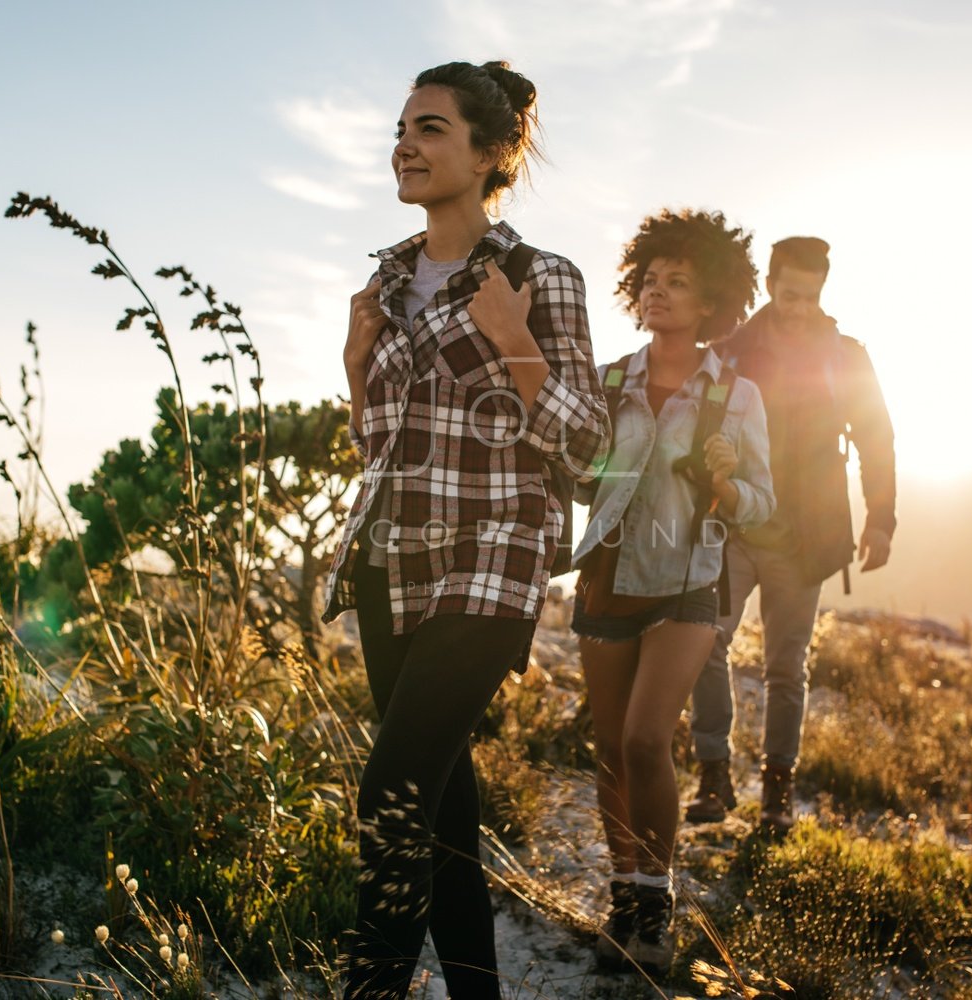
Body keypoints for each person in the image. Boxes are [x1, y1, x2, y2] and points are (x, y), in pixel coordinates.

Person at [322, 60, 610, 1000]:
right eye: (402, 126)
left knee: (391, 787)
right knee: (441, 803)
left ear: (490, 154)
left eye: (432, 128)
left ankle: (370, 989)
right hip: (391, 557)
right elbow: (381, 445)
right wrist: (358, 368)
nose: (405, 143)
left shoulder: (538, 277)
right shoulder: (387, 281)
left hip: (495, 556)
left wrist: (515, 341)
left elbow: (590, 446)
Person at [572, 209, 773, 974]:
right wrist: (586, 469)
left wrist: (725, 485)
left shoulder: (738, 397)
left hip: (689, 581)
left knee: (646, 739)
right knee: (607, 747)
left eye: (678, 282)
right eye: (651, 280)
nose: (658, 293)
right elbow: (581, 477)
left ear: (713, 303)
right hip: (607, 576)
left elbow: (764, 500)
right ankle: (622, 898)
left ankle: (654, 912)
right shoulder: (609, 380)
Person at [683, 235, 897, 831]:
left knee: (786, 667)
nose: (798, 305)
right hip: (732, 524)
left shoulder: (846, 356)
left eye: (809, 295)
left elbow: (878, 438)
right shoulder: (731, 349)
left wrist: (881, 519)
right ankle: (713, 774)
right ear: (772, 284)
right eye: (788, 292)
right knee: (704, 643)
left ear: (821, 290)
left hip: (809, 536)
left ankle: (777, 791)